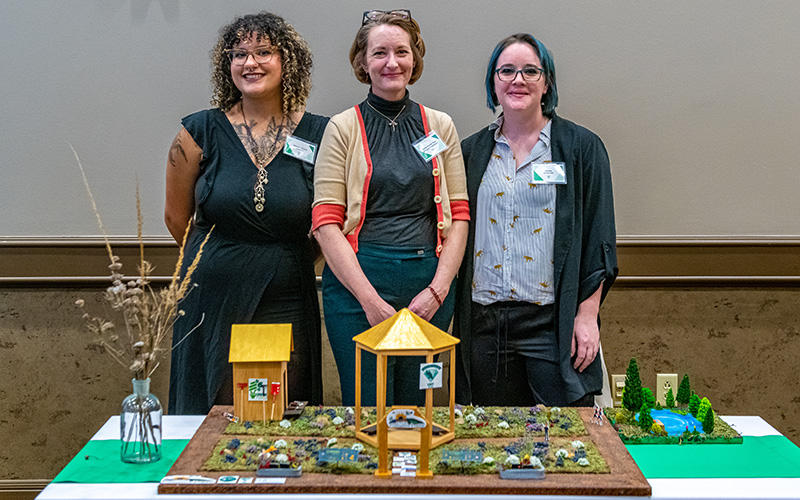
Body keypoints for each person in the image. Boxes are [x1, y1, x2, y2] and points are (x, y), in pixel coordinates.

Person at [165, 12, 328, 415]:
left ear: (288, 60)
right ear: (228, 65)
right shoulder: (198, 131)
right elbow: (175, 218)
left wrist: (286, 260)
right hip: (211, 293)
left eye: (263, 52)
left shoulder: (319, 133)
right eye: (238, 54)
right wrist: (217, 258)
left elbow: (330, 220)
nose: (250, 63)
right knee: (215, 405)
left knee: (284, 405)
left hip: (288, 291)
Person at [312, 10, 469, 407]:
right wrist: (369, 300)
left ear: (415, 59)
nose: (391, 62)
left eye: (402, 51)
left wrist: (438, 290)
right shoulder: (342, 128)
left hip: (428, 288)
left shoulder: (441, 126)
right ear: (363, 62)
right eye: (379, 52)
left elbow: (460, 215)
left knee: (421, 405)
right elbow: (325, 223)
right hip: (356, 289)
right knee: (368, 404)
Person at [453, 33, 618, 408]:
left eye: (530, 71)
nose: (518, 80)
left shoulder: (581, 149)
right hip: (485, 326)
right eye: (506, 71)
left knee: (567, 439)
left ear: (547, 83)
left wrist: (587, 316)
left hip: (551, 326)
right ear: (493, 83)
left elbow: (599, 239)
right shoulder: (470, 153)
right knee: (494, 440)